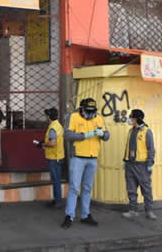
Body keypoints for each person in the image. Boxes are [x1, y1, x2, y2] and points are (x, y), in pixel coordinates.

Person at [61, 98, 110, 229]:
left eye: (92, 111)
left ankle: (85, 215)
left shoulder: (98, 118)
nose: (90, 114)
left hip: (93, 158)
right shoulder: (73, 117)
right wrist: (85, 135)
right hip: (77, 158)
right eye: (88, 111)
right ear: (82, 108)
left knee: (87, 188)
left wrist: (102, 134)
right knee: (74, 188)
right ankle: (69, 216)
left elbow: (107, 136)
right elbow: (67, 135)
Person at [122, 109, 157, 220]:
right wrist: (125, 160)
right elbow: (127, 146)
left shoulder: (147, 131)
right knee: (131, 189)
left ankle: (149, 211)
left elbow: (151, 149)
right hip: (130, 165)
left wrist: (150, 162)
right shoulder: (130, 131)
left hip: (142, 165)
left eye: (131, 117)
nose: (129, 119)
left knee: (146, 189)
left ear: (136, 118)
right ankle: (133, 210)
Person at [36, 107, 64, 208]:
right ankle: (57, 200)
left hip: (53, 157)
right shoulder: (58, 125)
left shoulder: (52, 128)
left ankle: (58, 202)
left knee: (55, 180)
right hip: (59, 156)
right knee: (57, 180)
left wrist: (43, 144)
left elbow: (52, 143)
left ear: (48, 116)